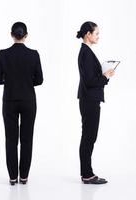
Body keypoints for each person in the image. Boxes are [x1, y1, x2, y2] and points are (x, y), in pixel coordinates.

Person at [0, 22, 43, 185]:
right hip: (29, 100)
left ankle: (13, 177)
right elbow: (40, 80)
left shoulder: (3, 54)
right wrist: (27, 80)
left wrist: (7, 76)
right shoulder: (34, 54)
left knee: (11, 140)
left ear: (11, 34)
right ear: (26, 36)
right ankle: (24, 177)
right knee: (27, 139)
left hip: (9, 100)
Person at [76, 21, 115, 184]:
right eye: (96, 33)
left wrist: (104, 76)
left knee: (90, 136)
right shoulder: (85, 53)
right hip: (89, 100)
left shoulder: (87, 51)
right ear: (88, 34)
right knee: (88, 137)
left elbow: (91, 78)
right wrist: (105, 76)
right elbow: (90, 81)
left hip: (90, 99)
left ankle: (87, 173)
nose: (98, 36)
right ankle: (87, 174)